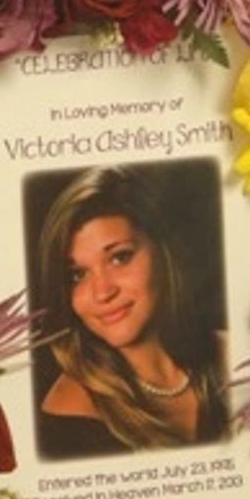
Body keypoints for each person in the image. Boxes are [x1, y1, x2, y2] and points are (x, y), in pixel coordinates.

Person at [35, 166, 227, 457]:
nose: (103, 292)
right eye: (77, 275)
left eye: (119, 257)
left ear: (162, 252)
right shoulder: (69, 412)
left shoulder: (231, 354)